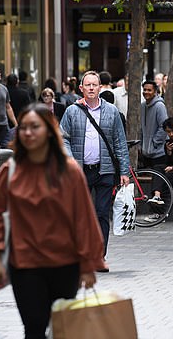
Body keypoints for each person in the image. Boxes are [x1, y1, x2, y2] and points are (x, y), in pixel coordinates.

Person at [0, 105, 106, 339]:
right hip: (25, 265)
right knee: (34, 327)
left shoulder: (69, 171)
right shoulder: (10, 170)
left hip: (65, 264)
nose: (28, 133)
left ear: (49, 130)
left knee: (62, 328)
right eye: (23, 127)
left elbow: (84, 219)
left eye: (35, 127)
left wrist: (89, 264)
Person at [59, 70, 130, 270]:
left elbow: (119, 142)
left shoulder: (111, 111)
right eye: (87, 85)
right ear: (81, 88)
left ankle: (99, 256)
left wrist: (124, 171)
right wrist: (71, 160)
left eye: (94, 85)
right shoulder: (72, 111)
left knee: (101, 214)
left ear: (100, 87)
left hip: (105, 171)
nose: (91, 88)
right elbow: (62, 137)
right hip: (80, 172)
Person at [140, 80, 168, 168]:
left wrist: (155, 142)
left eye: (149, 90)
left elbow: (164, 126)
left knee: (156, 179)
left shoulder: (159, 106)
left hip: (158, 153)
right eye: (144, 90)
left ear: (155, 92)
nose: (146, 92)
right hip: (146, 153)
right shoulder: (142, 105)